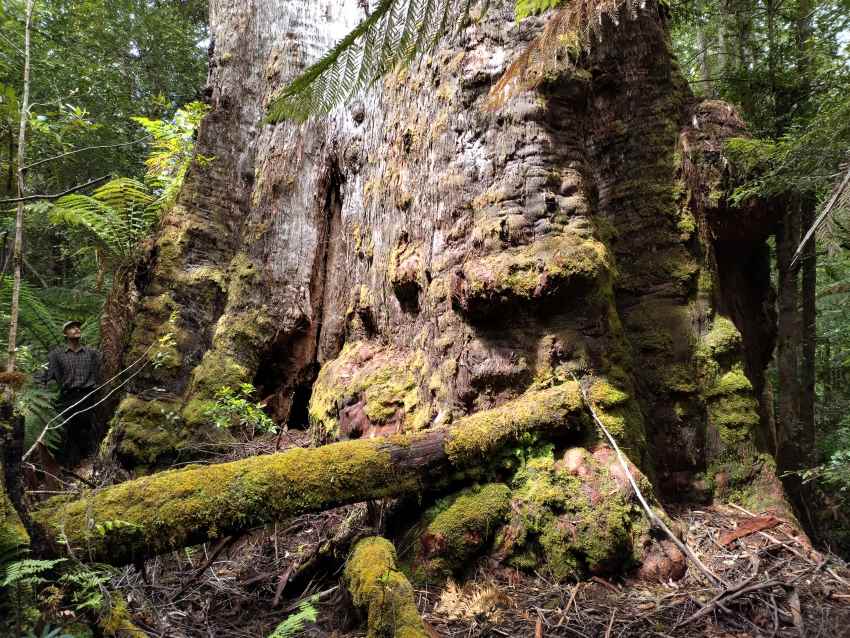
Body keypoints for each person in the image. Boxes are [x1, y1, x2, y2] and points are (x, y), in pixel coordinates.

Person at [44, 320, 102, 467]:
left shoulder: (91, 353)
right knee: (67, 432)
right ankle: (68, 465)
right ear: (65, 334)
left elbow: (100, 368)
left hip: (87, 396)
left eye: (77, 327)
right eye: (71, 328)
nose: (76, 329)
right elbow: (50, 377)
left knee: (87, 430)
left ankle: (90, 462)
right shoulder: (56, 355)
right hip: (67, 397)